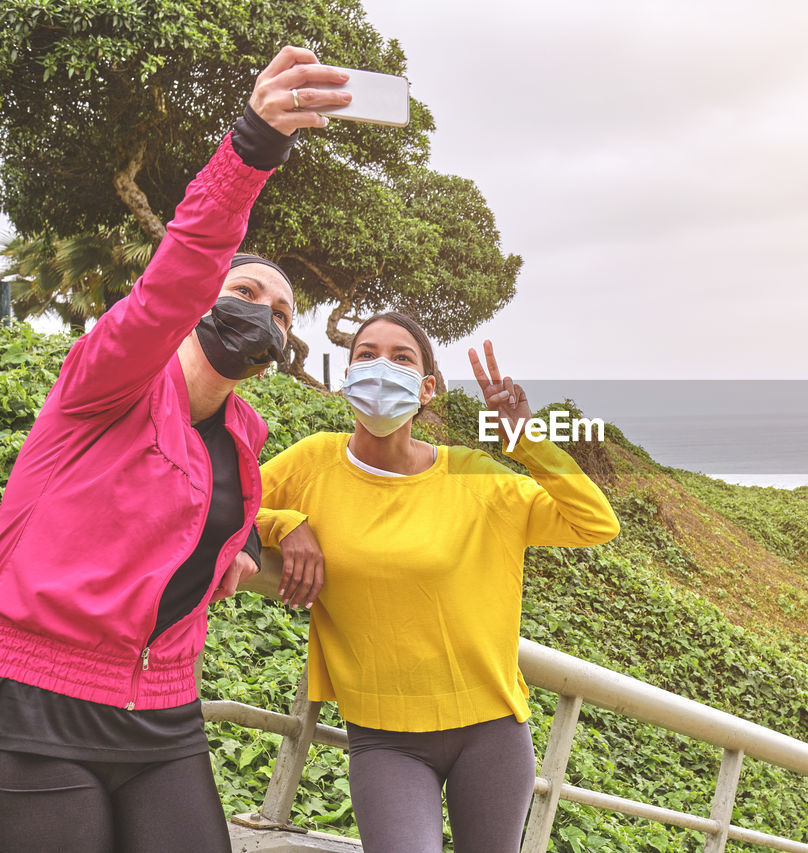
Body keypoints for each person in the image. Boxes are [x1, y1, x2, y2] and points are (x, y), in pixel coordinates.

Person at [0, 47, 349, 853]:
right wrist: (251, 148)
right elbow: (176, 275)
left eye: (284, 313)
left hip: (162, 709)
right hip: (40, 696)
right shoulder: (112, 377)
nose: (266, 315)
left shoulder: (246, 437)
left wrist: (244, 541)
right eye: (246, 294)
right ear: (204, 303)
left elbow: (198, 516)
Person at [256, 313, 620, 852]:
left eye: (401, 358)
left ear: (427, 388)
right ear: (346, 375)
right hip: (384, 738)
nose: (381, 368)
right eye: (366, 354)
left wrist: (526, 440)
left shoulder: (472, 475)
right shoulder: (311, 463)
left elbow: (593, 523)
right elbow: (226, 507)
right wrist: (285, 524)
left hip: (491, 730)